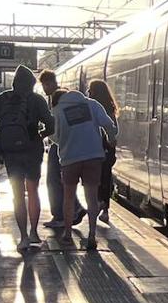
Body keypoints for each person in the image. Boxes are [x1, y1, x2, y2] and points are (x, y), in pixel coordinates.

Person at [0, 66, 55, 251]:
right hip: (32, 151)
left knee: (18, 195)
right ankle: (34, 232)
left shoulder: (2, 99)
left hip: (10, 152)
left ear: (14, 83)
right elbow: (51, 124)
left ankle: (23, 237)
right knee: (33, 191)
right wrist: (41, 135)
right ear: (32, 84)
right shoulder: (37, 100)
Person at [52, 85, 118, 249]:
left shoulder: (58, 109)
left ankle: (67, 234)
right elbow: (109, 124)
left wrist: (64, 143)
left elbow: (54, 136)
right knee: (92, 197)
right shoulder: (92, 104)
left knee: (68, 196)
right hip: (93, 156)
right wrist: (110, 138)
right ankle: (92, 235)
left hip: (69, 159)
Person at [38, 69, 85, 230]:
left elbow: (56, 123)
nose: (44, 88)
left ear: (50, 82)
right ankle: (76, 209)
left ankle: (60, 215)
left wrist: (44, 133)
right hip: (66, 142)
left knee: (53, 180)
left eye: (44, 85)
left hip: (59, 143)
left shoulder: (57, 97)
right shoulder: (62, 95)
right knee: (63, 180)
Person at [87, 79, 119, 224]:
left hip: (95, 148)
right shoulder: (111, 108)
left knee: (96, 178)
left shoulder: (92, 107)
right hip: (109, 149)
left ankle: (98, 204)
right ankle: (105, 208)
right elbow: (114, 128)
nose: (88, 92)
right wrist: (111, 139)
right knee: (106, 177)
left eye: (90, 90)